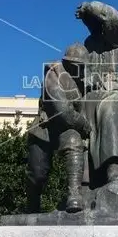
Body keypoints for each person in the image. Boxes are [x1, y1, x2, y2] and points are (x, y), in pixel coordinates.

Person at [26, 43, 91, 213]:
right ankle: (32, 206)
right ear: (69, 63)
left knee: (74, 141)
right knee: (37, 175)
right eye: (79, 66)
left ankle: (74, 195)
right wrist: (84, 124)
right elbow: (63, 113)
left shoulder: (82, 83)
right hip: (45, 130)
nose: (81, 70)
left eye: (83, 67)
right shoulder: (53, 75)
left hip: (66, 130)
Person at [75, 1, 118, 187]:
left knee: (110, 110)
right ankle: (82, 181)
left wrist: (90, 6)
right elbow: (78, 73)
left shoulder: (113, 41)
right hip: (88, 96)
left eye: (93, 19)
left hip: (109, 92)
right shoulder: (86, 46)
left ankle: (114, 170)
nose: (90, 24)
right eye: (87, 21)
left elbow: (114, 18)